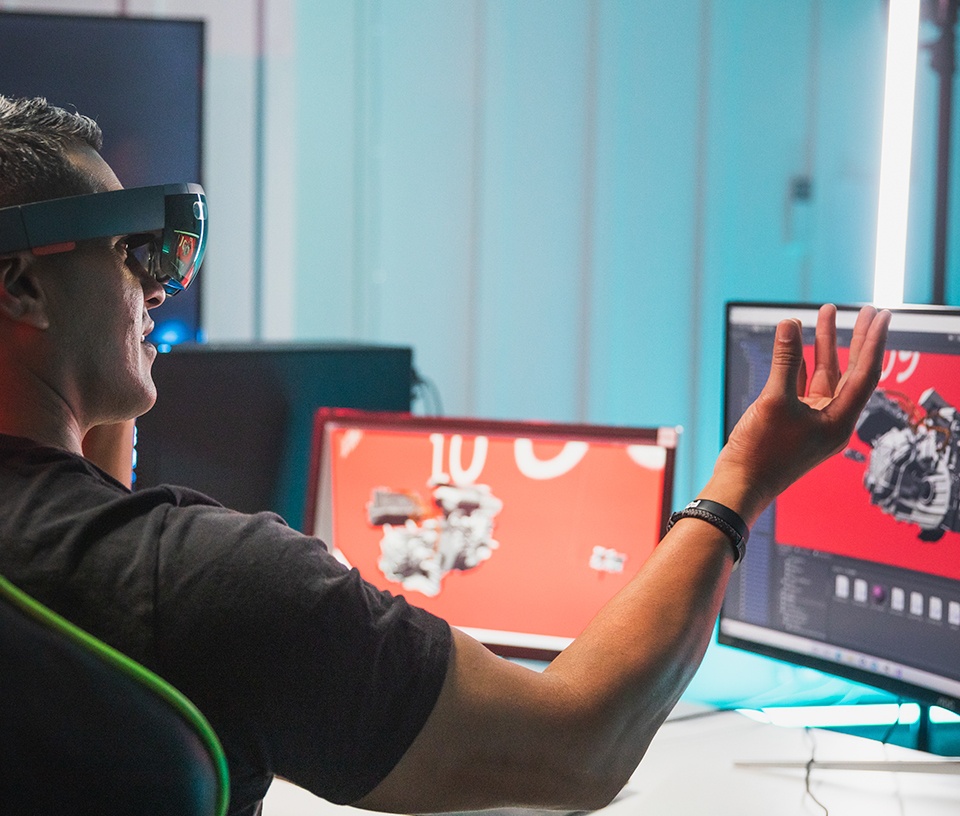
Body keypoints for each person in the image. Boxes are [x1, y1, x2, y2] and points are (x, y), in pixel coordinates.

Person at [0, 95, 891, 816]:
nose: (158, 284)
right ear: (25, 284)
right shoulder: (202, 582)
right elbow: (575, 748)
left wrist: (86, 427)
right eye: (127, 252)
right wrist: (743, 481)